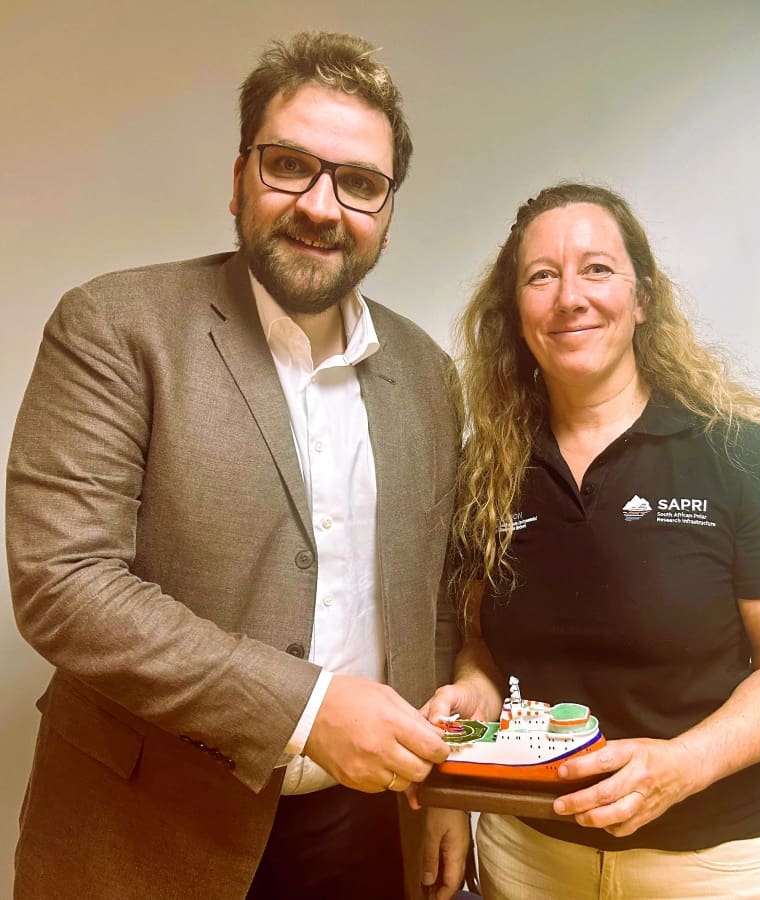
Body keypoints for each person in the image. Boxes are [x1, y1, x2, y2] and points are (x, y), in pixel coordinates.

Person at [6, 32, 464, 900]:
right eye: (290, 166)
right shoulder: (114, 325)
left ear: (387, 210)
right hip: (148, 830)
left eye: (359, 183)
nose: (322, 206)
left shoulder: (429, 374)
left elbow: (434, 600)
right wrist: (308, 709)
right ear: (238, 177)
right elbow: (63, 584)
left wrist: (439, 790)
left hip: (368, 827)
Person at [422, 182, 760, 899]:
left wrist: (684, 765)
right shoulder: (488, 469)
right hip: (529, 854)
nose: (569, 297)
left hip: (712, 865)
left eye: (596, 269)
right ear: (515, 313)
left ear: (641, 299)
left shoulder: (737, 456)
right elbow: (482, 643)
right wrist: (475, 696)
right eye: (541, 276)